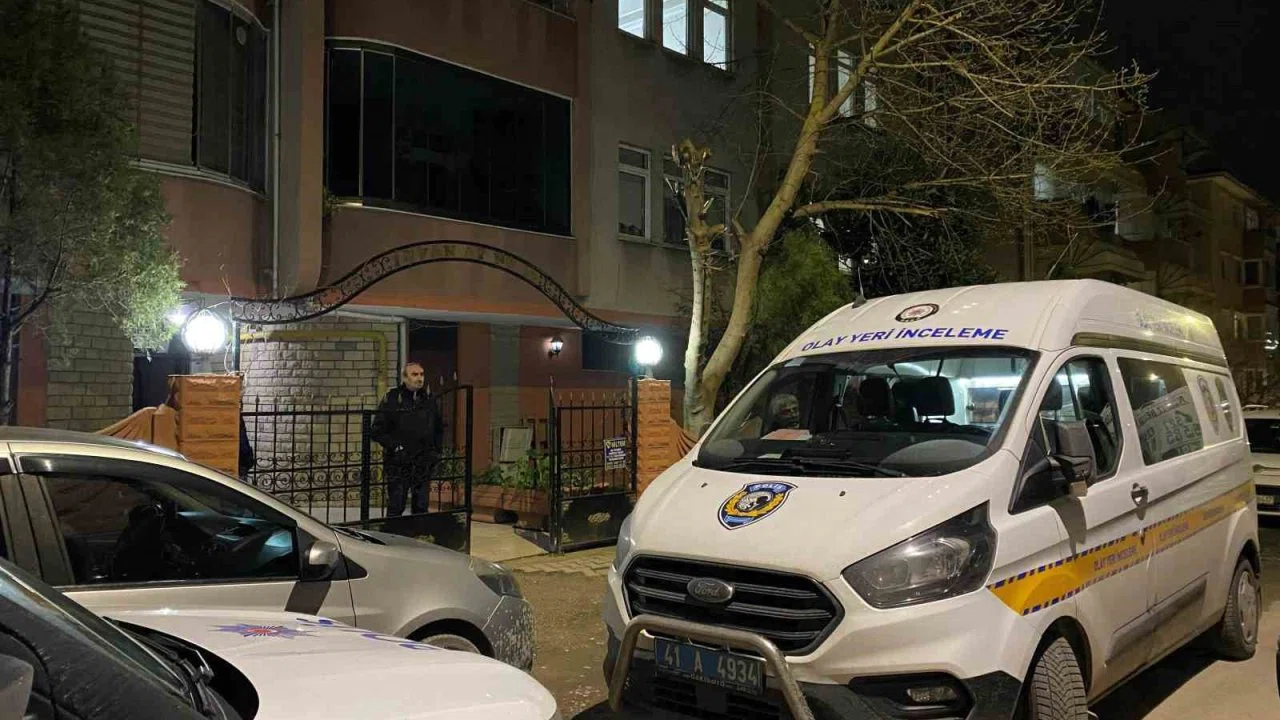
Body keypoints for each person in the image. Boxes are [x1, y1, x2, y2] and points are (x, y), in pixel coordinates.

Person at [370, 363, 443, 517]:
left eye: (421, 374)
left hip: (423, 461)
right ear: (405, 378)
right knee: (396, 505)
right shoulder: (393, 398)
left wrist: (435, 452)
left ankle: (418, 530)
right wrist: (395, 447)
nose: (419, 378)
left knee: (421, 507)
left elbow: (438, 428)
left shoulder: (428, 399)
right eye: (414, 374)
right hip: (399, 462)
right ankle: (393, 531)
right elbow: (377, 430)